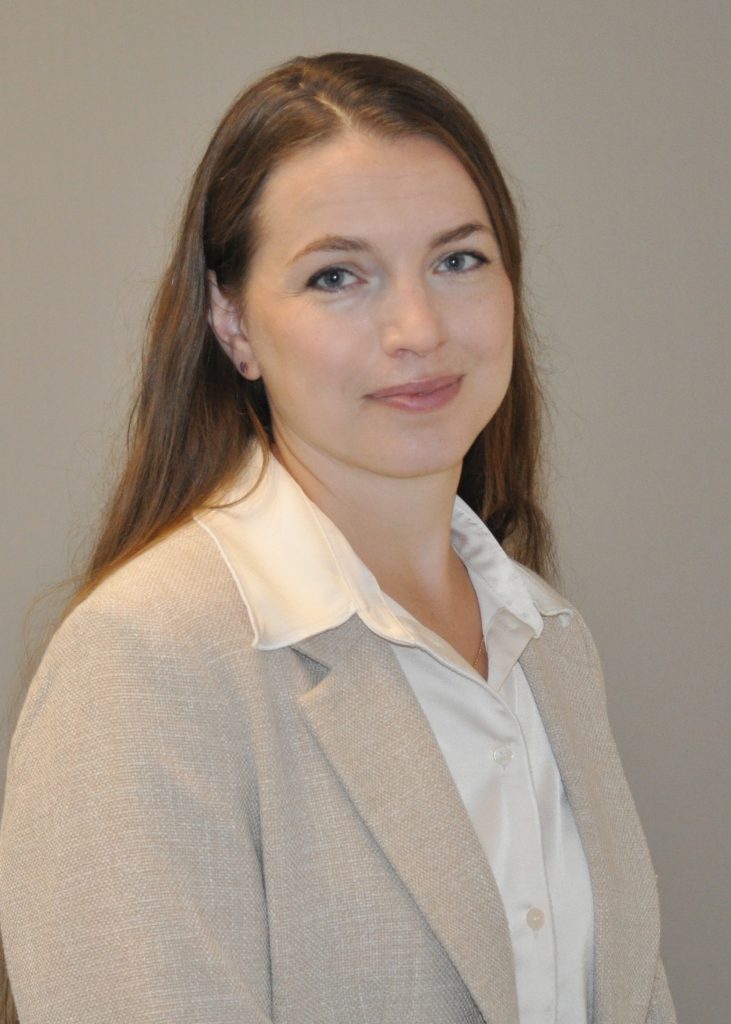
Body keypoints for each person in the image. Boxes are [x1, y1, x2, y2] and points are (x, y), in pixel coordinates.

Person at [0, 53, 675, 1024]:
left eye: (457, 260)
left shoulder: (550, 639)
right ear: (232, 323)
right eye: (336, 276)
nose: (417, 328)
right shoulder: (147, 659)